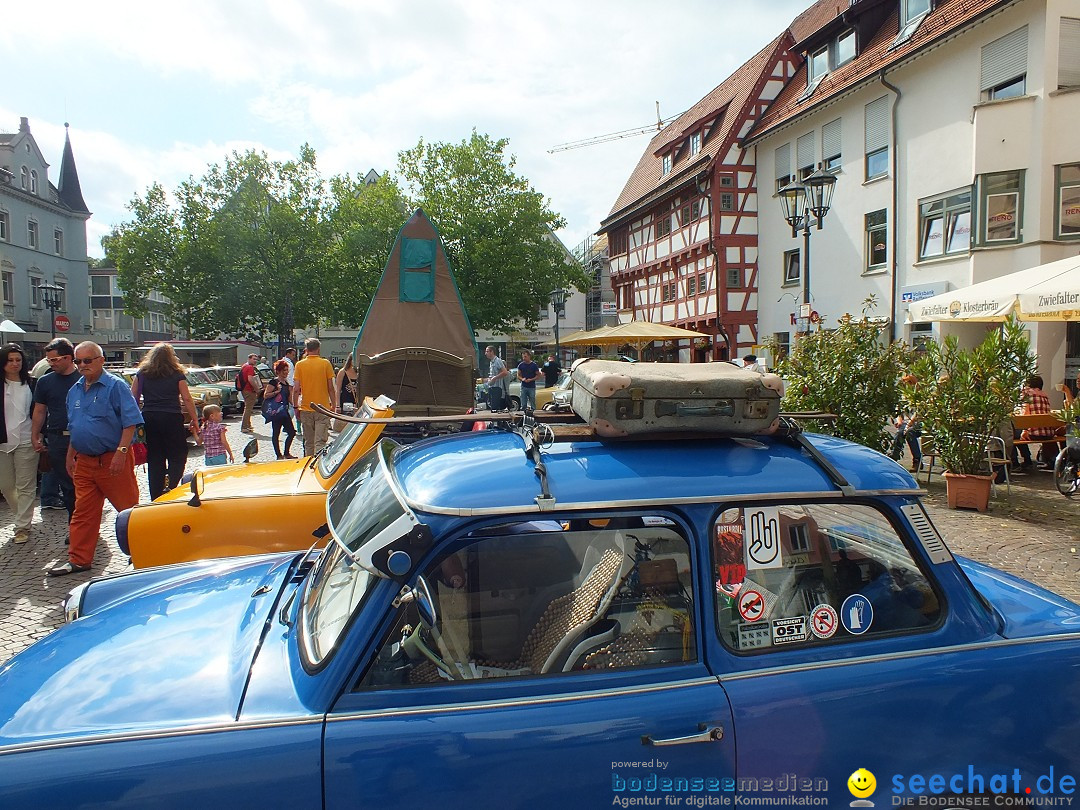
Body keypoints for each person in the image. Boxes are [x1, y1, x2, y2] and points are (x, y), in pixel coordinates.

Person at [50, 341, 143, 576]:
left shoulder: (116, 386)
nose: (82, 365)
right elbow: (75, 426)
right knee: (82, 512)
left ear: (101, 360)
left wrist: (122, 453)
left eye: (87, 360)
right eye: (78, 361)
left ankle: (142, 555)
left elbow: (130, 422)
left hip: (112, 459)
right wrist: (72, 455)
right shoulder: (76, 390)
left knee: (128, 512)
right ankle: (79, 559)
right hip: (84, 461)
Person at [131, 343, 201, 500]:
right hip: (171, 417)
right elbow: (187, 398)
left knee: (155, 458)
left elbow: (133, 396)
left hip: (149, 417)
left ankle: (156, 495)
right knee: (178, 455)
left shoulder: (142, 373)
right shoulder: (177, 374)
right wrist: (195, 419)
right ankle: (171, 485)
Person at [30, 338, 80, 521]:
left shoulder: (83, 378)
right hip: (58, 439)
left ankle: (86, 525)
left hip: (82, 439)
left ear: (68, 358)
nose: (51, 364)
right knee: (67, 487)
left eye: (54, 360)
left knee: (85, 485)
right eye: (48, 360)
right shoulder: (45, 381)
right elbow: (40, 410)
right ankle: (74, 525)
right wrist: (36, 435)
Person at [1, 344, 37, 545]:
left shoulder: (32, 384)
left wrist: (38, 434)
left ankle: (22, 527)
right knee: (6, 485)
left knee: (26, 486)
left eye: (18, 360)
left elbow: (39, 412)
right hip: (2, 442)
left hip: (26, 439)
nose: (15, 364)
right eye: (10, 360)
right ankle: (22, 516)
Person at [292, 337, 337, 456]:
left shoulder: (299, 365)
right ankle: (317, 466)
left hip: (306, 408)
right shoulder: (325, 363)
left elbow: (296, 389)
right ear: (318, 349)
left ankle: (307, 464)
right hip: (322, 408)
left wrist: (296, 406)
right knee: (320, 442)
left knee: (309, 442)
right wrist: (334, 404)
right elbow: (331, 388)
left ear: (306, 349)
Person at [1015, 375, 1066, 470]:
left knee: (1013, 434)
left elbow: (1025, 414)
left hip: (1034, 434)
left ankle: (1025, 460)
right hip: (1048, 434)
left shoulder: (1027, 393)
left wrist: (1025, 429)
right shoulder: (1045, 395)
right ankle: (1052, 460)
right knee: (1044, 431)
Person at [263, 360, 297, 459]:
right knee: (276, 434)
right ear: (278, 371)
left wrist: (296, 406)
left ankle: (286, 453)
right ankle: (278, 455)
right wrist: (276, 392)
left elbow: (288, 398)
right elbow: (266, 395)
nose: (286, 372)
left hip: (284, 412)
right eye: (284, 370)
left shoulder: (286, 383)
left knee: (291, 432)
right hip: (276, 412)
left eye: (287, 370)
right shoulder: (273, 382)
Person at [238, 353, 263, 433]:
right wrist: (257, 389)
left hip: (244, 389)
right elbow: (250, 379)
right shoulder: (249, 367)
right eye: (253, 359)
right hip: (248, 390)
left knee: (248, 408)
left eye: (256, 359)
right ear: (249, 359)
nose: (255, 361)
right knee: (248, 409)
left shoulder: (244, 366)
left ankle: (248, 425)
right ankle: (244, 426)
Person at [484, 346, 510, 411]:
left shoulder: (498, 361)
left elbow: (505, 372)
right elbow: (493, 374)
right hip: (491, 386)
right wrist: (488, 379)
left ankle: (497, 420)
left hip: (497, 387)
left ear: (492, 352)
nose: (485, 353)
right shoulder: (491, 362)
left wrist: (495, 378)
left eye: (487, 351)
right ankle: (494, 420)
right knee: (491, 406)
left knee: (495, 408)